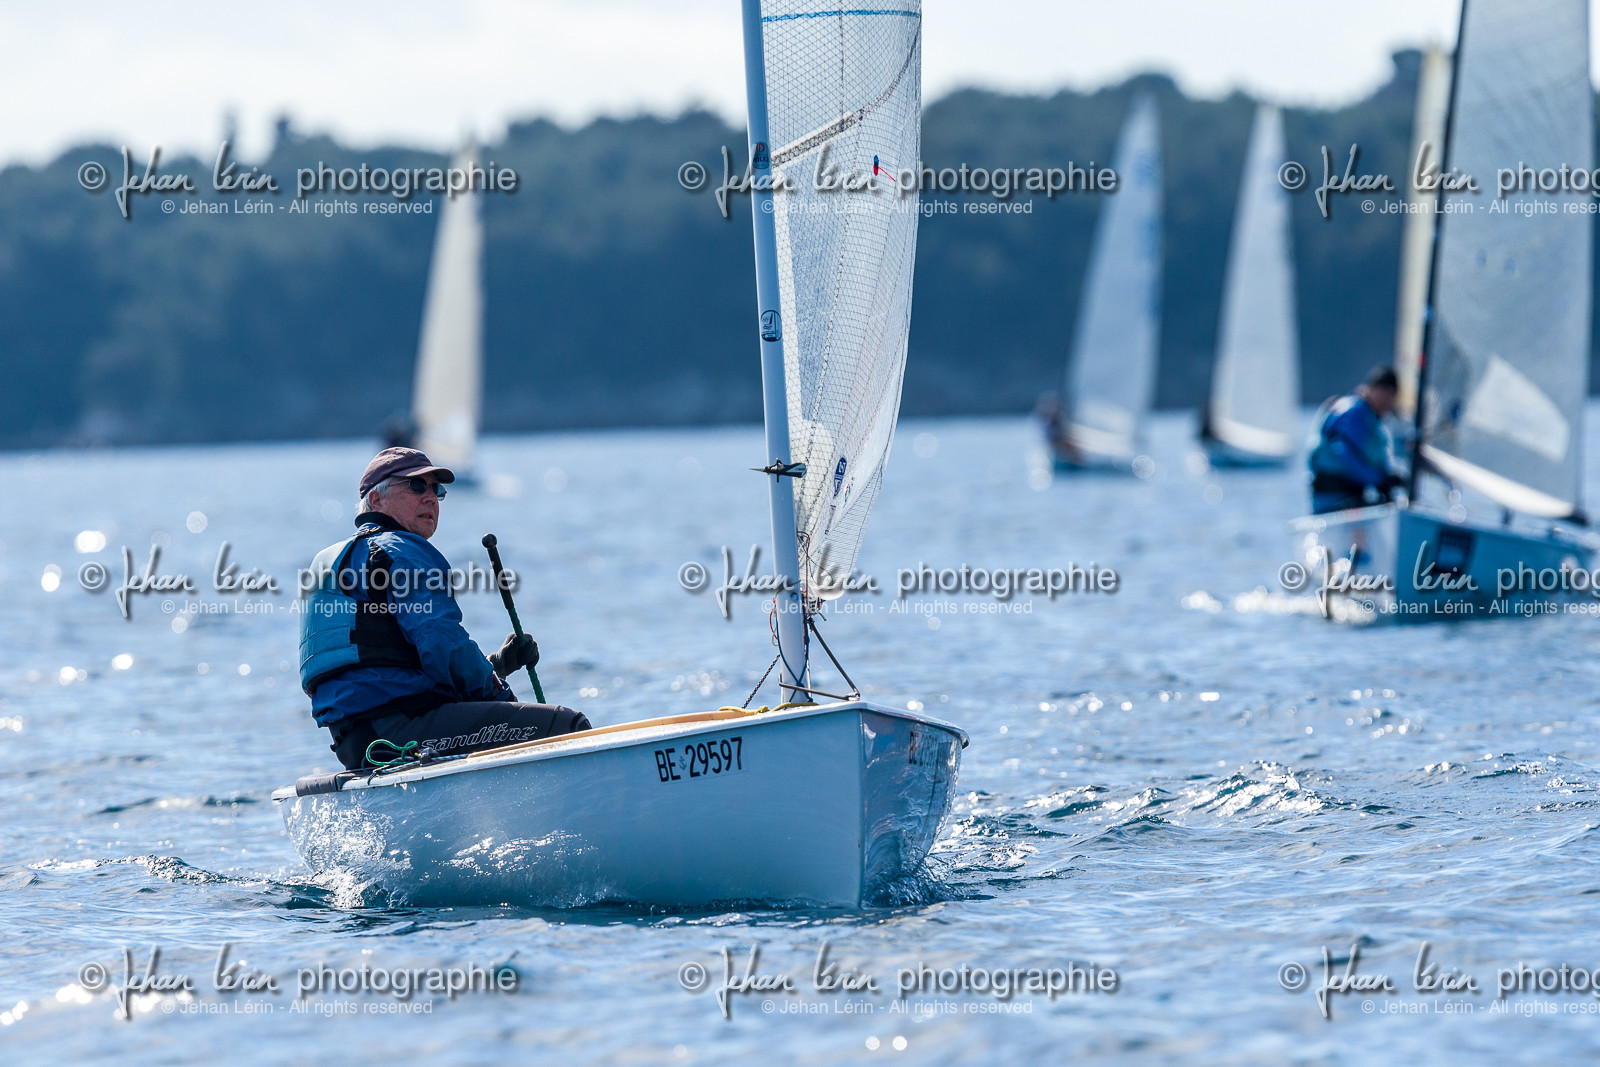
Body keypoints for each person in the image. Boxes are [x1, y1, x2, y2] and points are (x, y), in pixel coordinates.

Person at [300, 446, 590, 769]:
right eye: (415, 486)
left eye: (435, 489)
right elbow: (443, 645)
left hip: (357, 743)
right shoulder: (402, 550)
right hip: (401, 730)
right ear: (376, 500)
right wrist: (500, 695)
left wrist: (497, 665)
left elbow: (388, 666)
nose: (430, 497)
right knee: (566, 727)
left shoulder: (333, 562)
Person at [1307, 365, 1404, 514]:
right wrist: (1379, 480)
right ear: (1372, 389)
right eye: (1384, 393)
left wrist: (1389, 478)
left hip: (1349, 495)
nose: (1387, 400)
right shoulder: (1355, 411)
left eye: (1391, 396)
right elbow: (1343, 450)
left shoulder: (1373, 418)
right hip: (1334, 498)